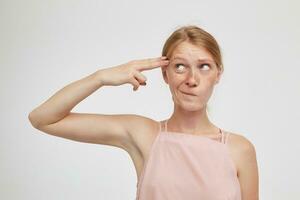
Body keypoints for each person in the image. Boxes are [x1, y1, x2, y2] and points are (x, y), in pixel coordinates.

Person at [28, 25, 259, 200]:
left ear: (218, 74)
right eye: (180, 66)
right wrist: (101, 78)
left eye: (204, 66)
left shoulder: (239, 149)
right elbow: (43, 119)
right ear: (165, 74)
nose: (191, 80)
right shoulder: (144, 134)